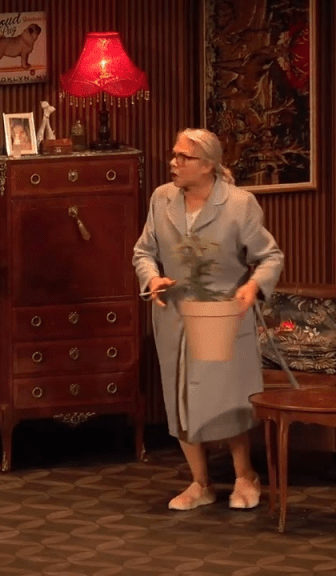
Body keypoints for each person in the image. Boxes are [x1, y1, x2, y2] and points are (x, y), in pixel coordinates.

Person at [132, 128, 283, 511]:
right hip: (175, 317)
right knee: (181, 398)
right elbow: (143, 251)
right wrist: (152, 278)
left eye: (183, 157)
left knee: (227, 398)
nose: (173, 162)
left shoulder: (238, 205)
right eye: (174, 154)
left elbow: (270, 256)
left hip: (222, 315)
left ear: (208, 165)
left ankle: (245, 476)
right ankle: (201, 483)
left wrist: (253, 286)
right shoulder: (161, 199)